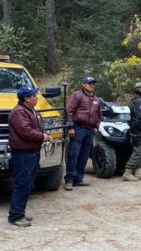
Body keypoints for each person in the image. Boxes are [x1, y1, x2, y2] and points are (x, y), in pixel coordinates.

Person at [7, 86, 53, 227]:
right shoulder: (19, 112)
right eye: (34, 95)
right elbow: (26, 132)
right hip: (23, 154)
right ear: (26, 98)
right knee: (22, 184)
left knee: (27, 184)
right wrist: (43, 136)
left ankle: (19, 212)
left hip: (31, 153)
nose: (36, 97)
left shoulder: (30, 110)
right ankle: (16, 216)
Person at [63, 76, 100, 190]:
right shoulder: (77, 96)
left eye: (93, 83)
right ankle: (69, 180)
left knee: (84, 155)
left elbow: (99, 114)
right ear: (83, 84)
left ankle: (78, 178)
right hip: (78, 128)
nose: (91, 85)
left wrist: (96, 126)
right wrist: (71, 127)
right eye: (89, 83)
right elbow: (69, 111)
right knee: (73, 154)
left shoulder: (96, 99)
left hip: (90, 130)